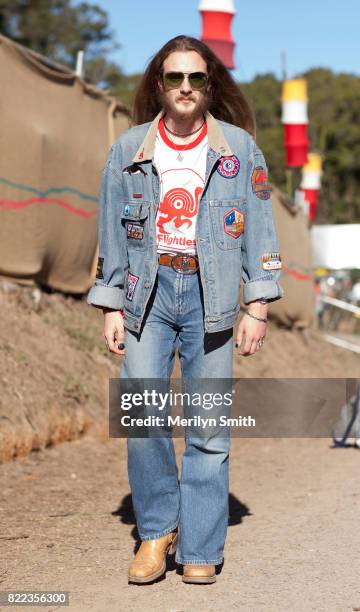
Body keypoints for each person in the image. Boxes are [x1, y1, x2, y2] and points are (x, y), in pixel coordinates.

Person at [87, 35, 284, 585]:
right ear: (159, 84)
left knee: (208, 430)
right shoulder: (128, 149)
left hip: (214, 297)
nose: (185, 88)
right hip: (145, 296)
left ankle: (199, 543)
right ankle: (156, 532)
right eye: (174, 78)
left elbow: (261, 230)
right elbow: (111, 232)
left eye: (196, 78)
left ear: (209, 85)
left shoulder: (240, 150)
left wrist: (259, 302)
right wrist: (109, 303)